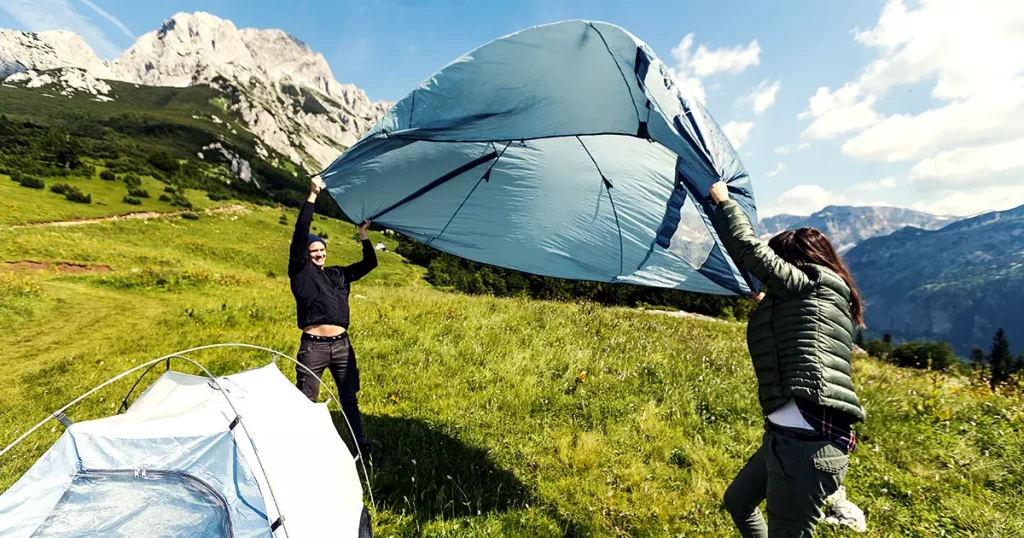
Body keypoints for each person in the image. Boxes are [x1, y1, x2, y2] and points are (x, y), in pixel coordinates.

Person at [709, 181, 866, 537]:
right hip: (790, 437)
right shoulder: (814, 295)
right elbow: (795, 335)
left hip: (807, 444)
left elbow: (750, 251)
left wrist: (724, 203)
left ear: (796, 260)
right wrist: (769, 306)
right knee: (738, 500)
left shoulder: (813, 282)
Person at [289, 174, 377, 464]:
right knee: (306, 401)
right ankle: (301, 452)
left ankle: (361, 450)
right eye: (314, 252)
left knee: (349, 399)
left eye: (322, 251)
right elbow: (301, 232)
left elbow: (369, 264)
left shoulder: (339, 274)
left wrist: (364, 235)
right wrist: (313, 195)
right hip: (313, 347)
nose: (319, 255)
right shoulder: (300, 272)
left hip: (342, 347)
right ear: (306, 254)